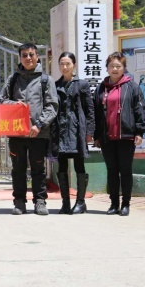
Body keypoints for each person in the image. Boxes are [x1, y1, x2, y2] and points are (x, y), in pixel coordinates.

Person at [0, 43, 58, 216]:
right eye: (24, 55)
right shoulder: (13, 79)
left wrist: (39, 124)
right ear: (20, 58)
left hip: (38, 133)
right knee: (18, 169)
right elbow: (2, 100)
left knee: (38, 169)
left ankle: (40, 201)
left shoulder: (46, 80)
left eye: (31, 54)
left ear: (37, 57)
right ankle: (19, 202)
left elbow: (52, 106)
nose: (28, 58)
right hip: (17, 133)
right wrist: (13, 104)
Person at [93, 52, 145, 216]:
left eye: (118, 66)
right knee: (112, 170)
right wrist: (96, 135)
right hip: (107, 137)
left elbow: (140, 109)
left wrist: (139, 131)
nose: (115, 69)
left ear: (124, 68)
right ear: (107, 68)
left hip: (126, 136)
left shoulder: (132, 87)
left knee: (125, 170)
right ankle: (114, 203)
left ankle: (126, 204)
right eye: (112, 66)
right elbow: (95, 113)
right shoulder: (101, 88)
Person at [54, 52, 95, 215]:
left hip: (77, 130)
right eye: (62, 64)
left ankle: (80, 202)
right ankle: (65, 203)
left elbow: (90, 109)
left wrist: (90, 131)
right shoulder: (56, 85)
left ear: (74, 65)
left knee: (79, 165)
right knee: (62, 166)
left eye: (68, 64)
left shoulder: (82, 84)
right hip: (61, 131)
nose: (65, 67)